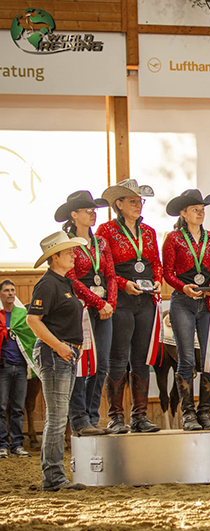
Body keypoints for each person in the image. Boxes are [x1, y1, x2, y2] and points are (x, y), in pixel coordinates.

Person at [97, 179, 161, 434]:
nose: (138, 205)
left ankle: (140, 416)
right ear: (119, 204)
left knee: (141, 358)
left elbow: (155, 261)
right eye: (133, 201)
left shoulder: (149, 232)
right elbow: (105, 266)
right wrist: (124, 284)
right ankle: (115, 416)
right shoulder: (106, 230)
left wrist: (156, 280)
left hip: (145, 299)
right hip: (121, 299)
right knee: (118, 357)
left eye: (140, 201)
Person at [26, 231, 88, 491]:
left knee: (58, 416)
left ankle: (54, 476)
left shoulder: (62, 282)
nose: (73, 255)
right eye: (69, 252)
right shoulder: (49, 284)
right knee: (56, 417)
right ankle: (53, 478)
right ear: (55, 257)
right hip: (55, 354)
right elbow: (32, 320)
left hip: (63, 353)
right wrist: (60, 345)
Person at [56, 191, 116, 437]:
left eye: (94, 210)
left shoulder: (100, 242)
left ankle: (92, 415)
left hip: (103, 307)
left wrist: (109, 302)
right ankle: (79, 417)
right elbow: (71, 279)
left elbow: (110, 274)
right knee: (82, 364)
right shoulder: (66, 242)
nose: (93, 214)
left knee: (101, 364)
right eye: (87, 210)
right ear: (74, 214)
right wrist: (96, 303)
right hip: (80, 309)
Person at [163, 189, 210, 431]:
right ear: (184, 213)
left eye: (202, 209)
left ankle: (205, 412)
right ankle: (188, 413)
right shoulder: (174, 239)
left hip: (206, 302)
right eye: (195, 209)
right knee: (186, 358)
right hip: (182, 302)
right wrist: (183, 287)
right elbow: (167, 272)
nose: (200, 212)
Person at [0, 280, 36, 459]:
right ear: (1, 294)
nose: (10, 293)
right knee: (0, 407)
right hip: (3, 367)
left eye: (13, 290)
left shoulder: (22, 315)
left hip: (20, 366)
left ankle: (17, 444)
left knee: (17, 407)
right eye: (6, 290)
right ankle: (2, 444)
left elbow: (30, 338)